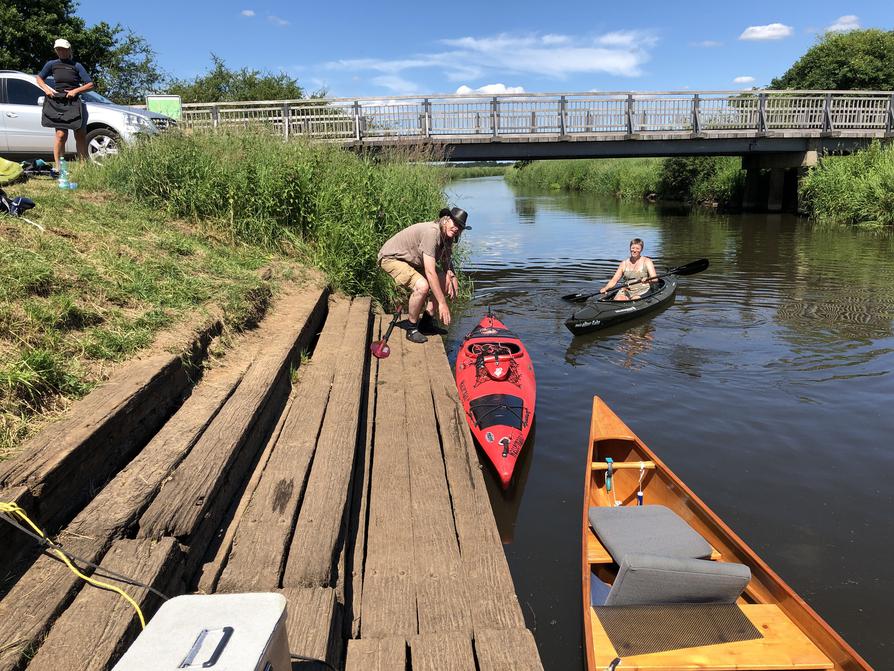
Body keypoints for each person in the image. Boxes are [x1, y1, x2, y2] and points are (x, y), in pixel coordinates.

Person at [377, 207, 470, 343]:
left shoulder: (449, 237)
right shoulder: (432, 233)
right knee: (422, 286)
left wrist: (453, 276)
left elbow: (446, 262)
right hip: (392, 258)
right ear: (446, 220)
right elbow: (430, 272)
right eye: (455, 223)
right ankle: (412, 328)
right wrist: (443, 304)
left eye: (460, 227)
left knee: (445, 279)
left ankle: (426, 322)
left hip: (413, 262)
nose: (457, 228)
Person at [35, 39, 95, 165]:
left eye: (63, 49)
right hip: (59, 102)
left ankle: (83, 165)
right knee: (61, 135)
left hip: (75, 102)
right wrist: (47, 90)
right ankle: (59, 166)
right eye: (58, 49)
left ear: (69, 50)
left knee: (80, 134)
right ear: (56, 51)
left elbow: (90, 84)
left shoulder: (77, 65)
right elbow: (39, 78)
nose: (61, 51)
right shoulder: (51, 64)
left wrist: (76, 91)